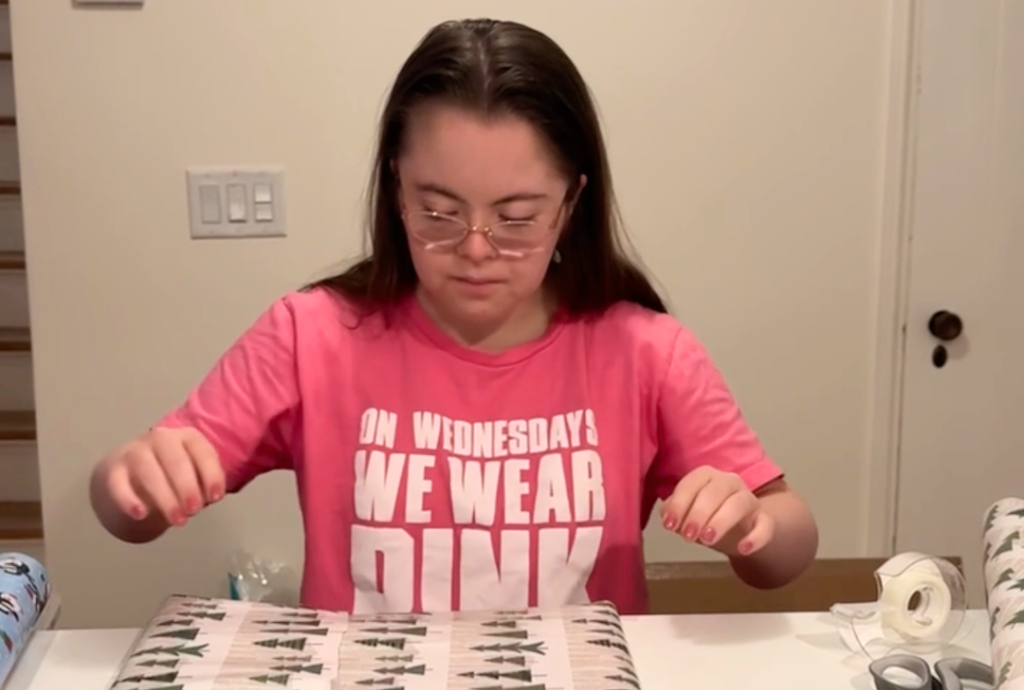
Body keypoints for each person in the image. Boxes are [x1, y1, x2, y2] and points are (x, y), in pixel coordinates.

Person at [89, 17, 818, 615]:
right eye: (437, 212)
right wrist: (132, 482)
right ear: (395, 191)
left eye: (517, 218)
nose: (475, 250)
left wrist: (751, 525)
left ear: (572, 205)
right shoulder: (310, 335)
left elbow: (788, 549)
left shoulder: (645, 351)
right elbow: (128, 513)